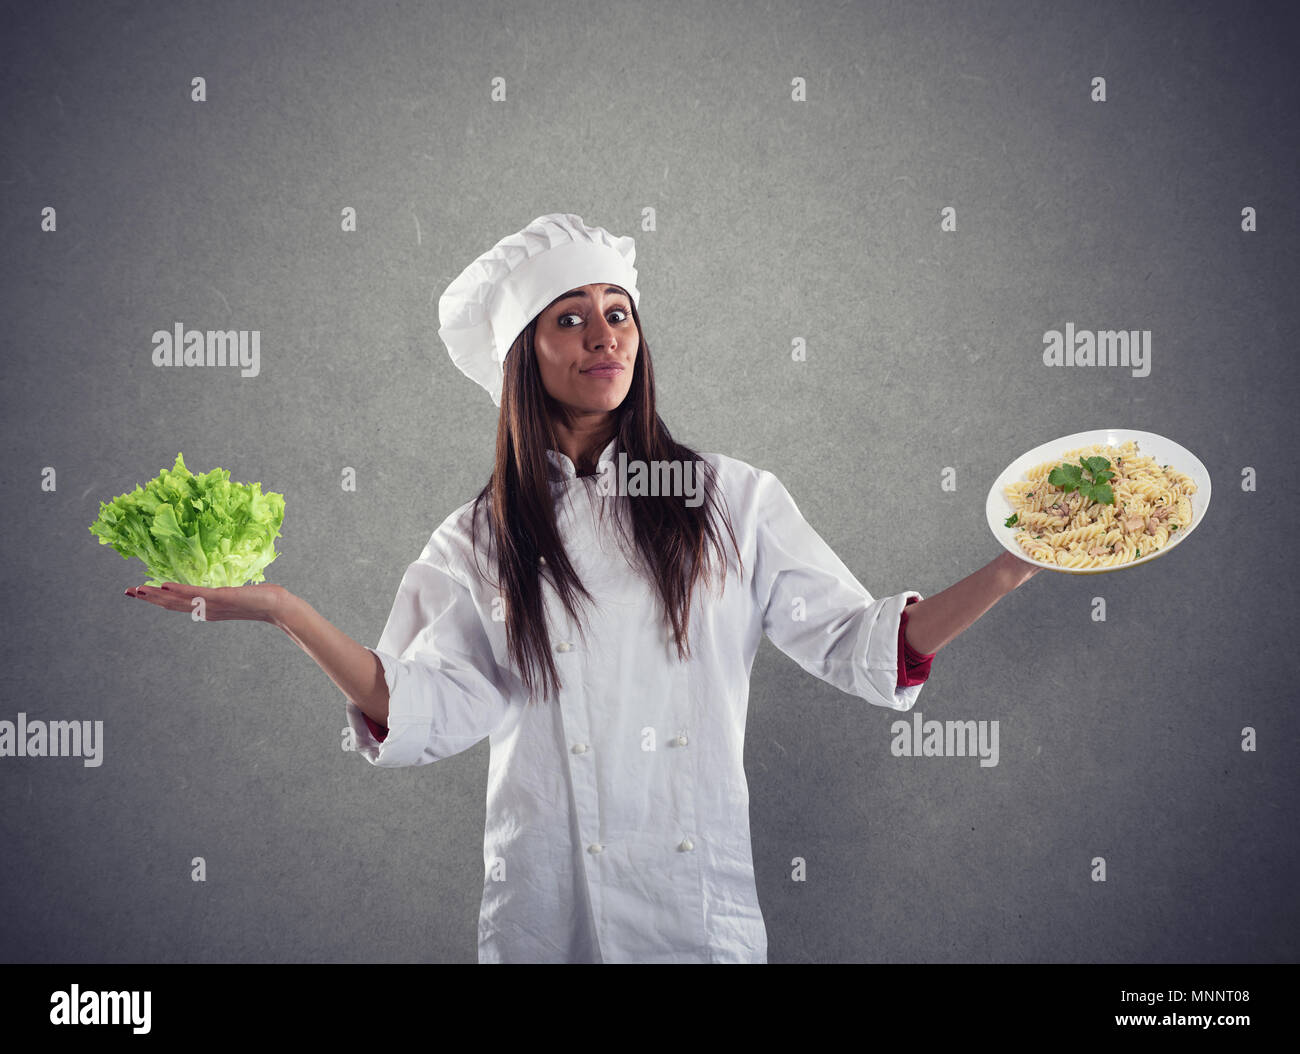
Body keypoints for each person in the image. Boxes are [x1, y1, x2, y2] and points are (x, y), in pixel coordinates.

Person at [128, 213, 1040, 963]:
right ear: (522, 356)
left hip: (696, 913)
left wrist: (1013, 562)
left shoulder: (729, 498)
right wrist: (286, 612)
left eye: (619, 312)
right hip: (547, 910)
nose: (604, 336)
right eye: (570, 318)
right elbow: (425, 708)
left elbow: (859, 642)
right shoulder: (476, 539)